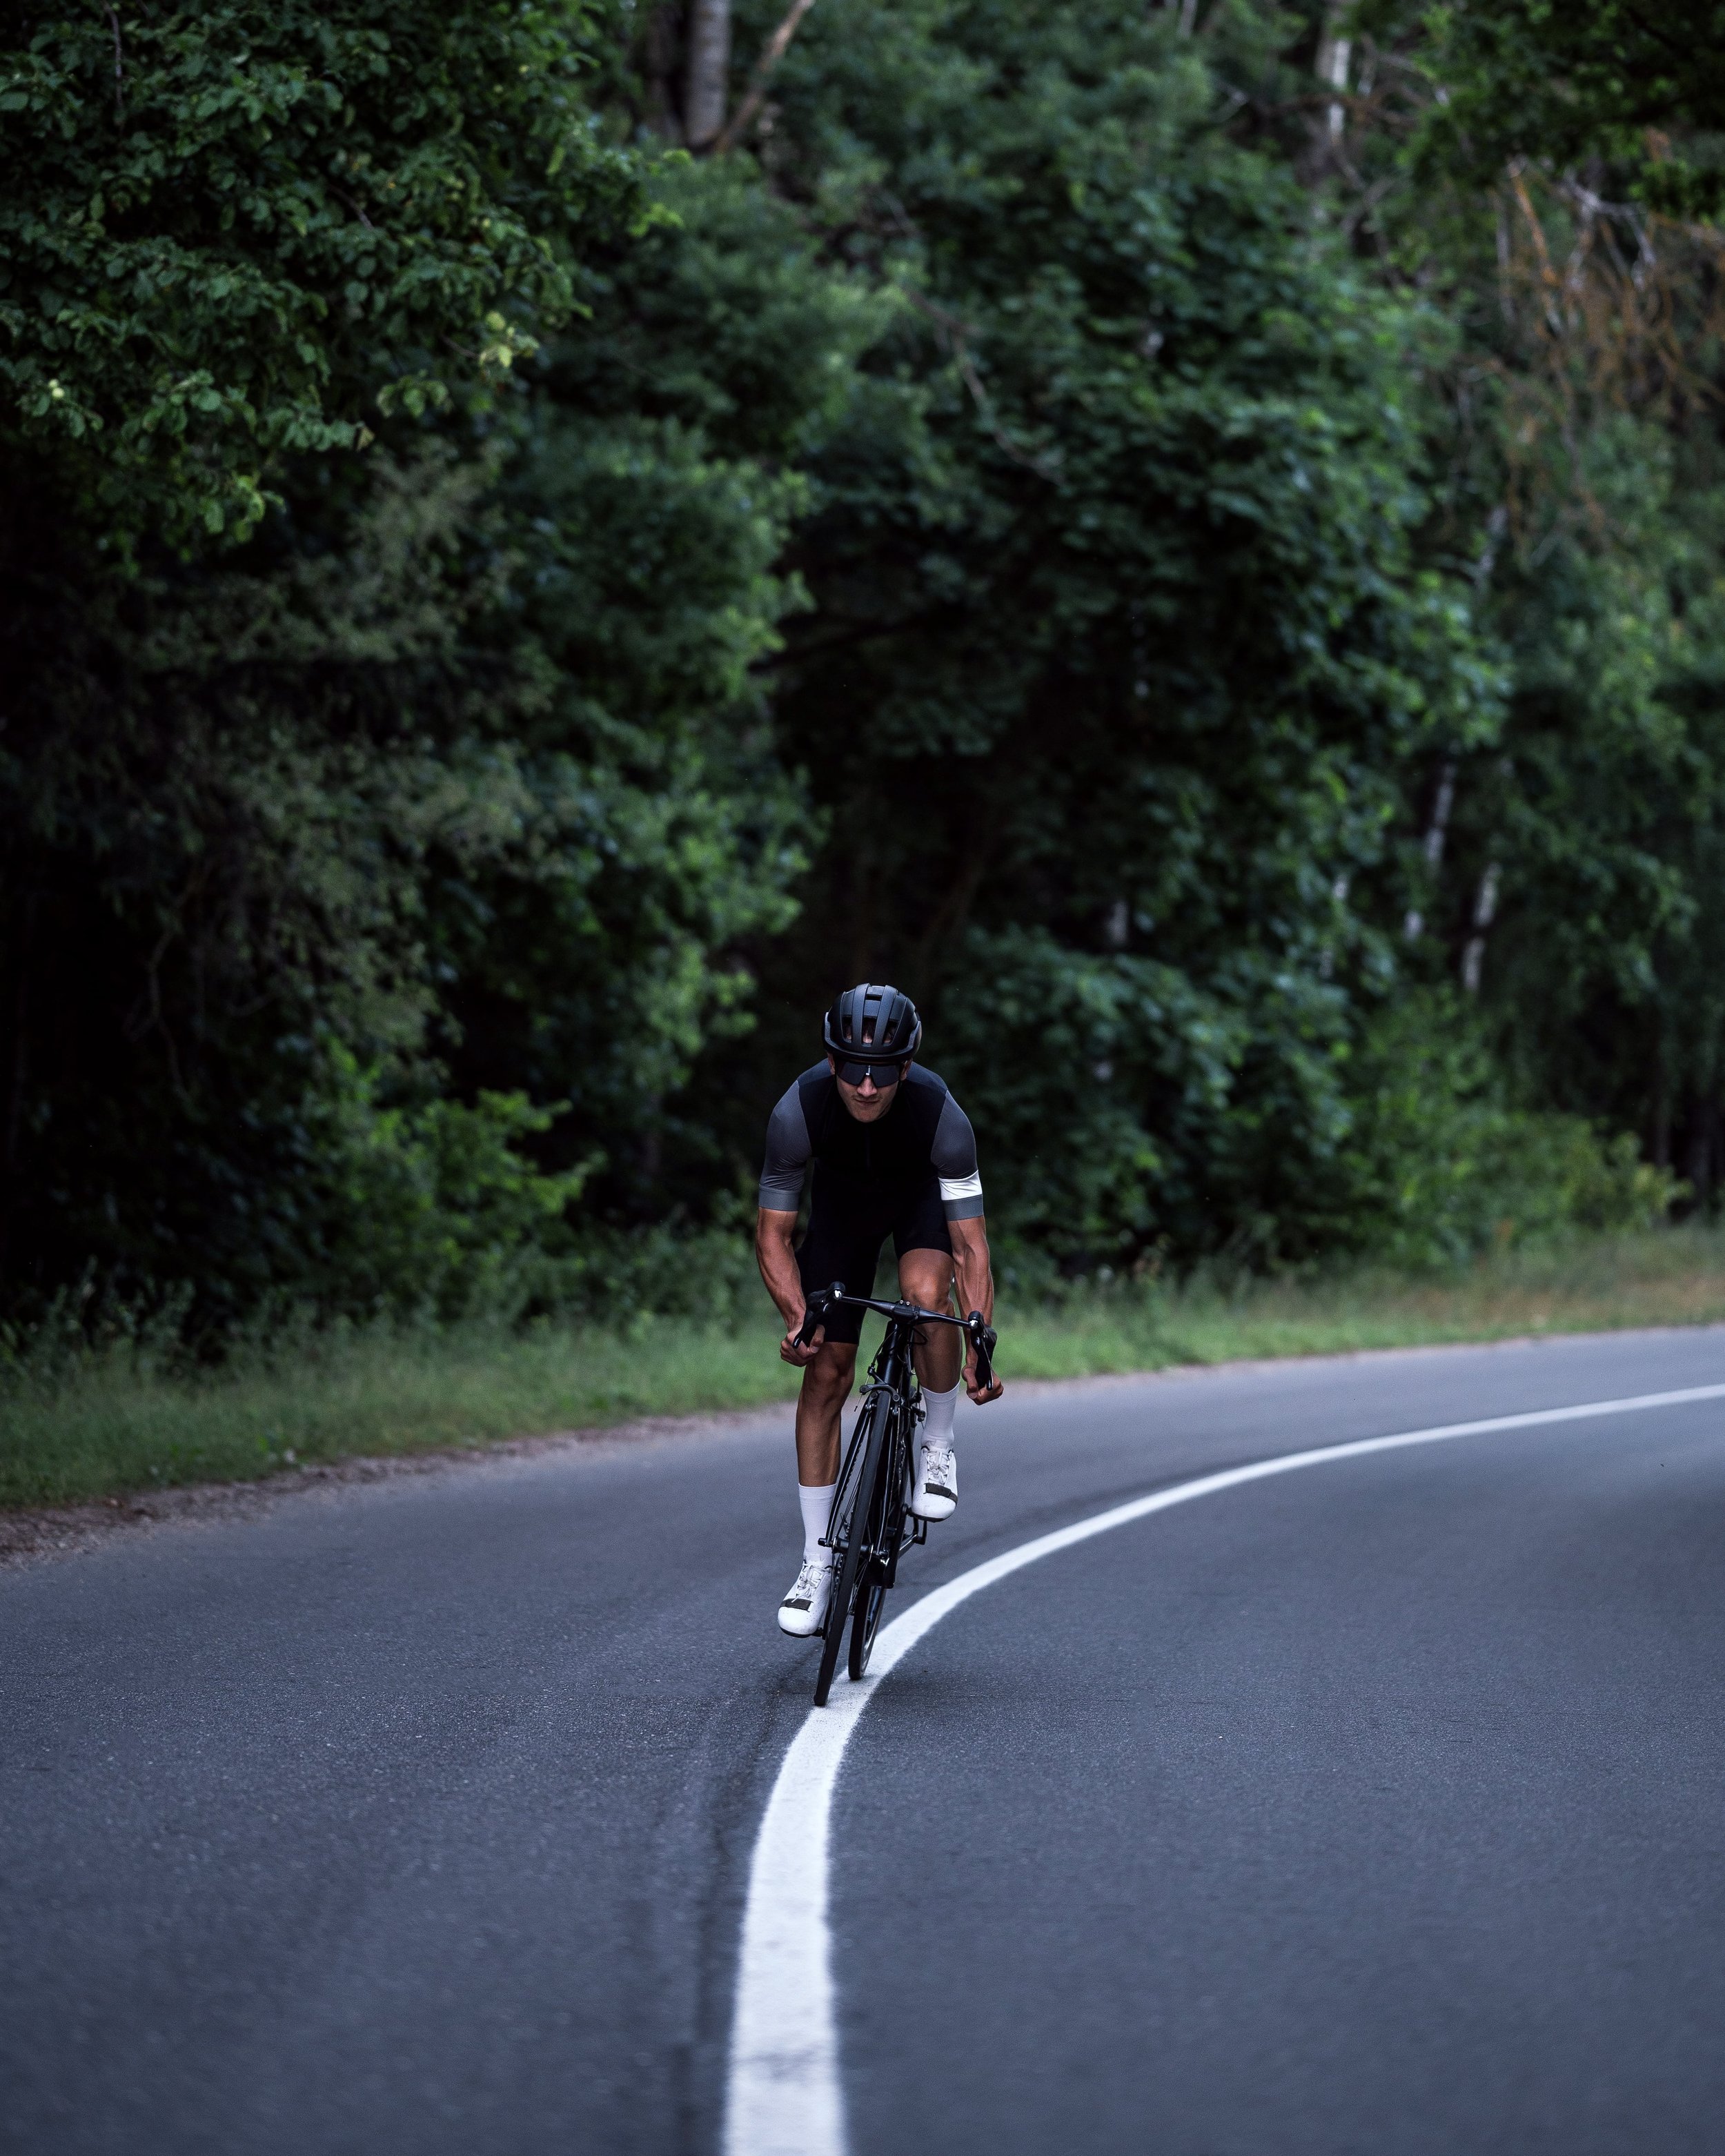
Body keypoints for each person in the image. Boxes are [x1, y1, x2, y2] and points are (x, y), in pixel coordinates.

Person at [755, 982, 1003, 1636]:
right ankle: (816, 1563)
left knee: (927, 1299)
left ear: (908, 1066)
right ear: (832, 1062)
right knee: (828, 1373)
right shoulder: (798, 1110)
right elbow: (773, 1235)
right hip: (842, 1216)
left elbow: (970, 1245)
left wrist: (980, 1338)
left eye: (885, 1071)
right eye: (855, 1069)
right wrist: (794, 1315)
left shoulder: (941, 1116)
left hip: (917, 1205)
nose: (868, 1087)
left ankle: (939, 1443)